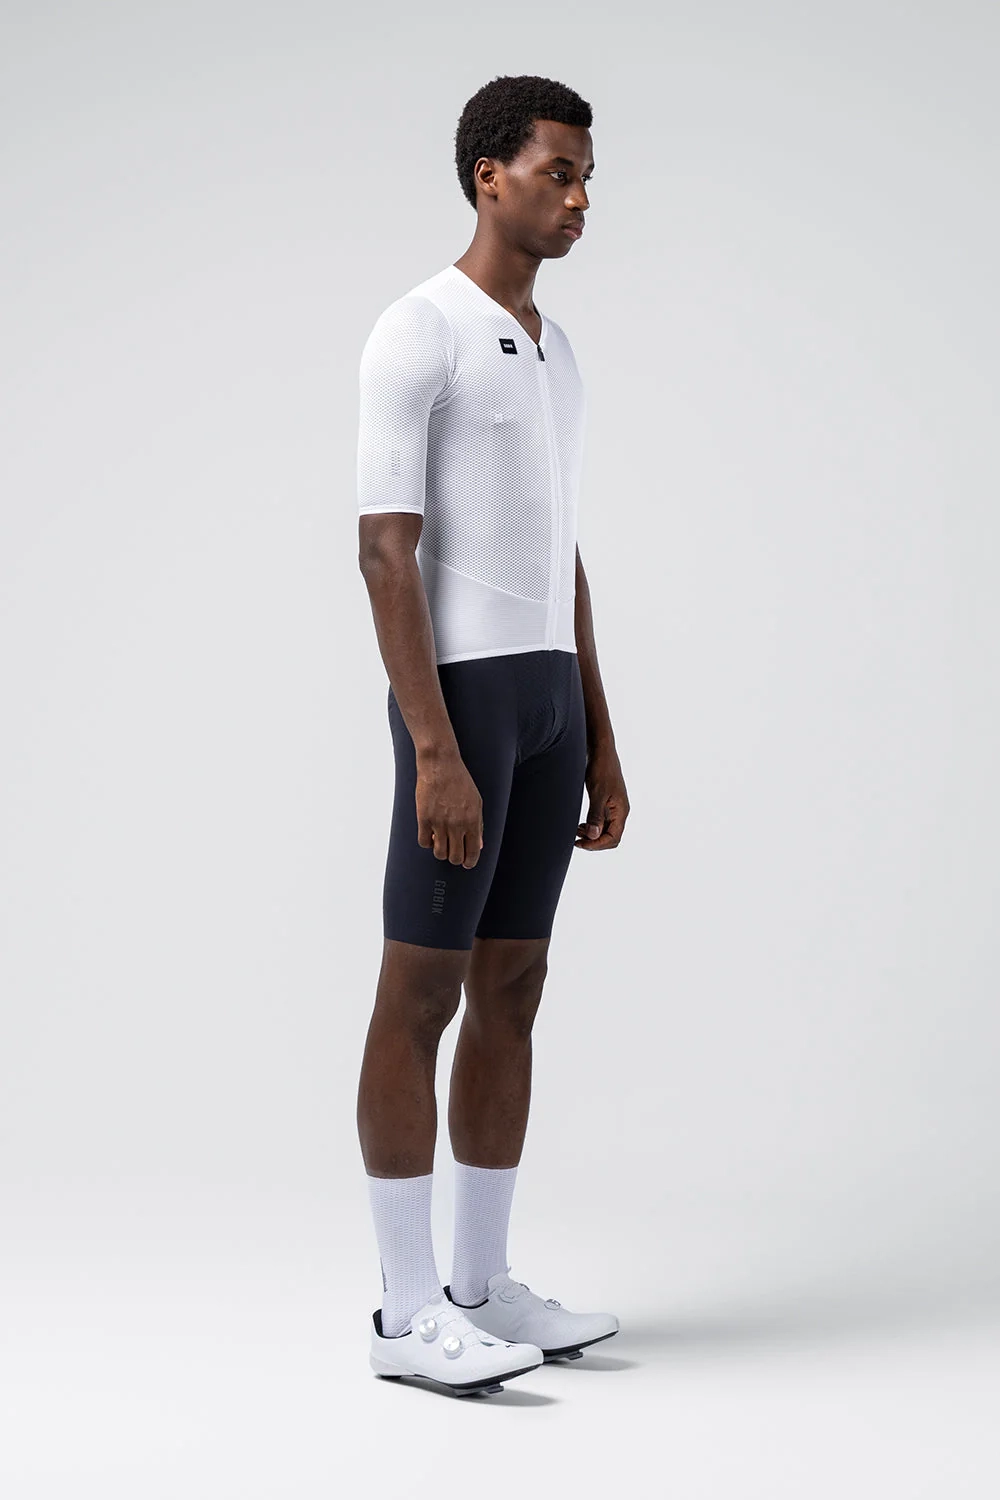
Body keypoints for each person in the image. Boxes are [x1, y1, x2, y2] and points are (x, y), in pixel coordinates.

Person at [355, 73, 630, 1397]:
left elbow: (561, 553)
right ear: (489, 175)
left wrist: (602, 734)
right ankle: (407, 1313)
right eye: (557, 172)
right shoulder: (421, 331)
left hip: (548, 707)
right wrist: (434, 748)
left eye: (586, 179)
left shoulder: (556, 349)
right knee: (421, 996)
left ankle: (481, 1284)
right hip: (460, 705)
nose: (577, 200)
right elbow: (384, 550)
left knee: (513, 988)